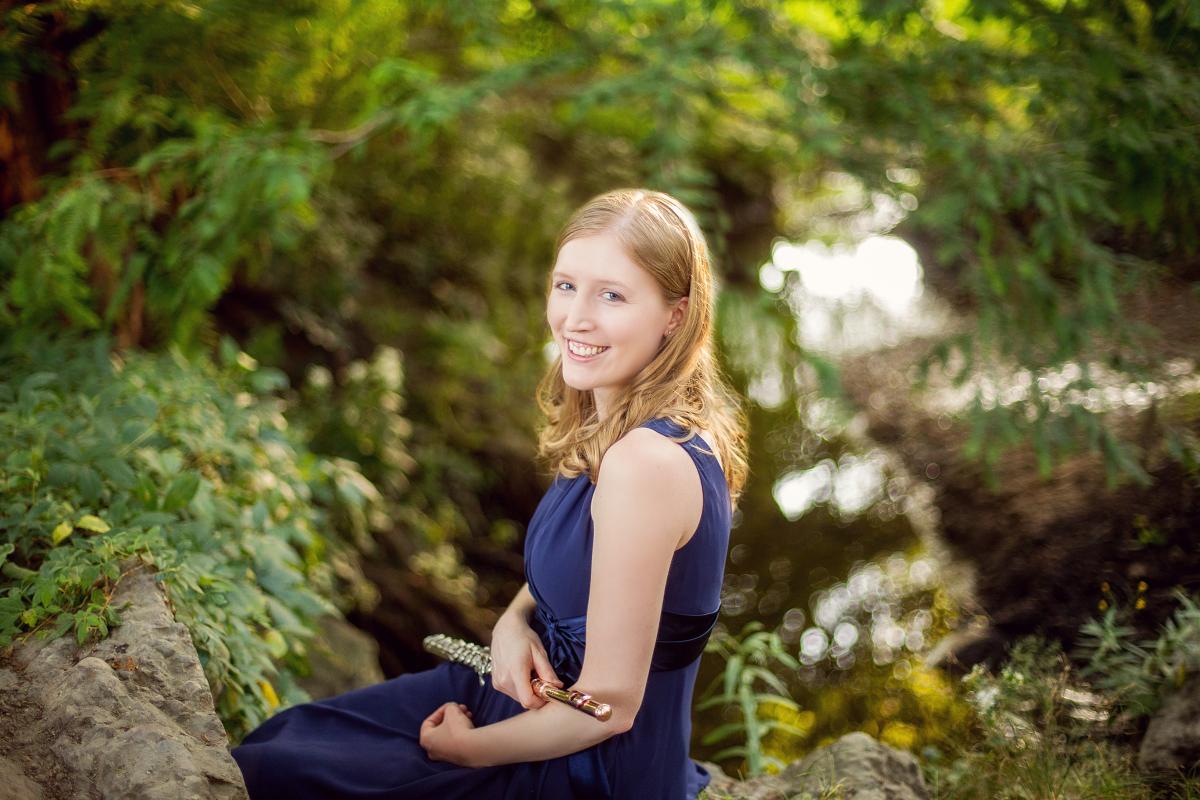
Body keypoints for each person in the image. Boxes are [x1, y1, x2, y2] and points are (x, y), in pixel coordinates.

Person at [231, 188, 749, 799]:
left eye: (612, 294)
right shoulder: (619, 419)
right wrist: (511, 623)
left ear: (676, 315)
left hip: (586, 764)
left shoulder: (645, 463)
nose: (575, 318)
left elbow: (608, 706)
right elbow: (591, 574)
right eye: (566, 285)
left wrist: (468, 751)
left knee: (285, 773)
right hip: (529, 699)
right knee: (293, 740)